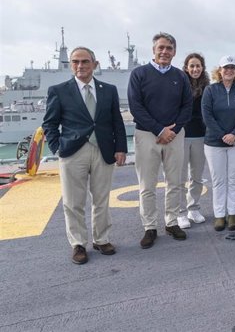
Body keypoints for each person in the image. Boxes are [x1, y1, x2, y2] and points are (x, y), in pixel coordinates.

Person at [43, 47, 127, 264]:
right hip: (72, 151)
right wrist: (57, 148)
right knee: (73, 201)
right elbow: (50, 124)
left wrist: (121, 148)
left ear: (94, 64)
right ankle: (78, 244)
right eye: (75, 62)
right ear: (71, 65)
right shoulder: (59, 90)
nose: (80, 66)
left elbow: (116, 120)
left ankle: (101, 239)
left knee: (101, 198)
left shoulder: (108, 90)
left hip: (103, 149)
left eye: (85, 62)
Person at [128, 32, 193, 249]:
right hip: (147, 135)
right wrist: (159, 130)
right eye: (161, 47)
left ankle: (172, 222)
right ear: (154, 49)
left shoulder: (180, 76)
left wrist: (172, 131)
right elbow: (136, 106)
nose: (164, 51)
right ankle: (150, 227)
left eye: (169, 48)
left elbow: (187, 106)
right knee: (147, 184)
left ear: (174, 52)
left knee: (175, 182)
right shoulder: (139, 74)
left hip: (174, 135)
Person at [202, 56, 235, 232]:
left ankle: (233, 213)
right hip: (215, 143)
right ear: (220, 70)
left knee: (234, 179)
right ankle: (219, 214)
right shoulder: (210, 90)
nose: (229, 71)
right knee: (218, 180)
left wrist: (234, 134)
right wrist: (223, 135)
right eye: (225, 68)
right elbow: (207, 116)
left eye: (232, 68)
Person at [177, 53, 210, 229]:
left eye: (198, 66)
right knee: (180, 177)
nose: (195, 69)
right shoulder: (179, 86)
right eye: (192, 66)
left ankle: (194, 208)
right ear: (186, 68)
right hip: (181, 135)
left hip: (200, 135)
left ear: (202, 68)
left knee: (197, 176)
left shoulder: (208, 88)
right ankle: (180, 212)